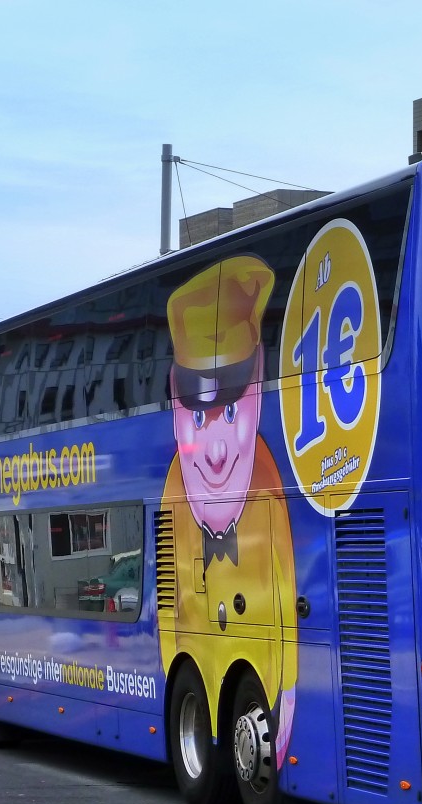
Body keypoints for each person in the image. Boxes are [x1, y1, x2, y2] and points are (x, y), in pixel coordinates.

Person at [161, 255, 297, 766]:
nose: (215, 453)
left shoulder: (272, 492)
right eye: (198, 413)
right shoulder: (173, 490)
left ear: (259, 387)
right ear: (175, 404)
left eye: (233, 410)